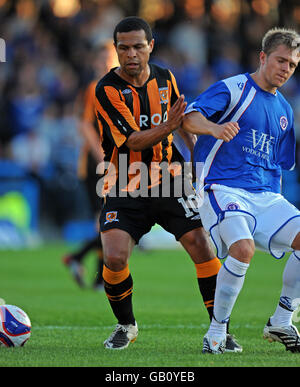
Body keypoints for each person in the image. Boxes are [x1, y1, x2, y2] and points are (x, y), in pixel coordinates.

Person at [95, 16, 241, 351]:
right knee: (115, 257)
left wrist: (195, 164)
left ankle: (221, 331)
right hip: (124, 183)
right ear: (116, 50)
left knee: (202, 246)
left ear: (151, 46)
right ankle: (126, 325)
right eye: (123, 48)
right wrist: (170, 125)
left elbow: (182, 125)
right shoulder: (107, 89)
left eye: (137, 46)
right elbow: (132, 141)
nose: (131, 54)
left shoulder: (165, 77)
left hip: (170, 179)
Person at [182, 27, 300, 354]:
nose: (285, 69)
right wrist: (215, 128)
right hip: (222, 187)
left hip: (264, 195)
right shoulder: (234, 88)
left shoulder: (285, 112)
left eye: (291, 65)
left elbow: (278, 164)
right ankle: (216, 333)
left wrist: (276, 203)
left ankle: (282, 319)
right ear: (263, 57)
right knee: (243, 249)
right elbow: (189, 120)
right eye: (280, 60)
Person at [62, 41, 118, 290]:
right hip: (96, 166)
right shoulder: (95, 89)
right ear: (97, 61)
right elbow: (84, 126)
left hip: (116, 165)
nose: (107, 61)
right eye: (103, 57)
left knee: (109, 222)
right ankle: (90, 269)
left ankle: (81, 262)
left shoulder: (121, 90)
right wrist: (104, 160)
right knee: (108, 222)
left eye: (111, 56)